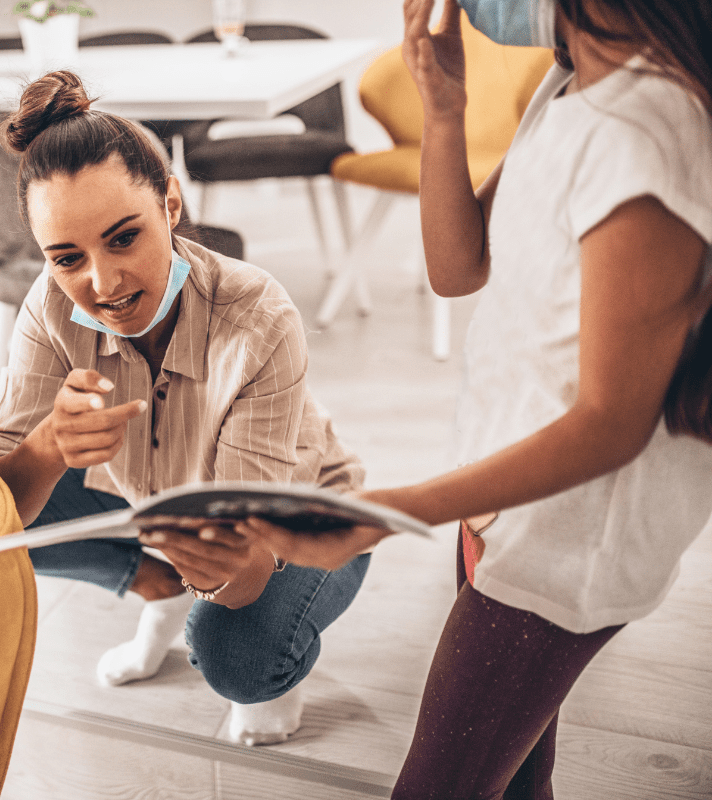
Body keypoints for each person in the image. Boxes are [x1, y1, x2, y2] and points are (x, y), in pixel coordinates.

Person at [245, 0, 712, 795]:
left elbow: (611, 423)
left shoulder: (644, 132)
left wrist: (388, 513)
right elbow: (458, 266)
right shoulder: (572, 89)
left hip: (568, 541)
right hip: (507, 496)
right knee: (517, 779)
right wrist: (445, 113)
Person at [0, 70, 370, 745]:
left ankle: (227, 617)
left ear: (171, 203)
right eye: (67, 257)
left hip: (302, 518)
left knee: (238, 658)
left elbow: (245, 567)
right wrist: (45, 448)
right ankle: (159, 582)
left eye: (124, 237)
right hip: (156, 497)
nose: (100, 284)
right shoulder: (48, 304)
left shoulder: (257, 315)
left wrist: (212, 571)